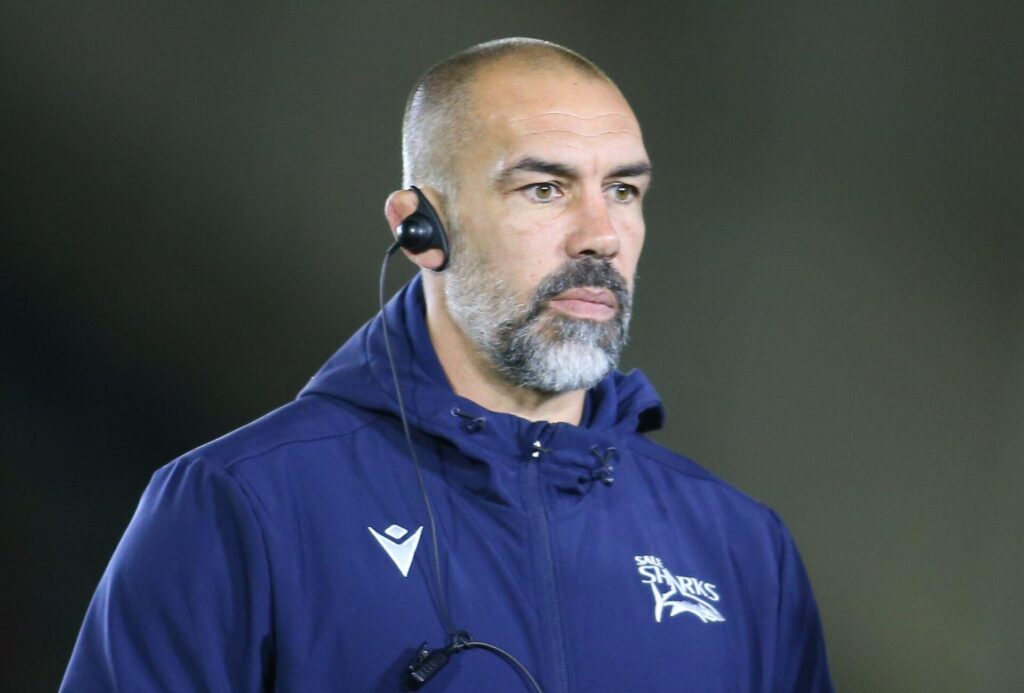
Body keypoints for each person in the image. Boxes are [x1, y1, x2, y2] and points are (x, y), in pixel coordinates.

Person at [62, 38, 832, 691]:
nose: (600, 235)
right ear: (422, 228)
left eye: (623, 189)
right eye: (544, 188)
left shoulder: (742, 549)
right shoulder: (241, 504)